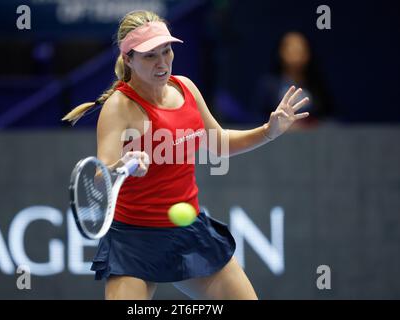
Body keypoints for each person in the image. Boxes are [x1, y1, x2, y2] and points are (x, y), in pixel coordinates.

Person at [62, 10, 309, 300]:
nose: (162, 62)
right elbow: (101, 173)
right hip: (133, 240)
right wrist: (124, 164)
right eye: (150, 55)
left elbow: (219, 143)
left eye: (166, 51)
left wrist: (269, 131)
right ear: (128, 59)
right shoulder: (119, 107)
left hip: (187, 229)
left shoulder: (186, 88)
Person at [252, 31, 333, 127]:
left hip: (314, 138)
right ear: (281, 52)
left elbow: (329, 116)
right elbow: (256, 118)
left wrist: (311, 125)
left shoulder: (317, 84)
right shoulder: (268, 85)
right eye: (292, 48)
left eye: (301, 49)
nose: (297, 53)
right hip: (277, 138)